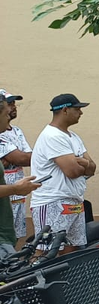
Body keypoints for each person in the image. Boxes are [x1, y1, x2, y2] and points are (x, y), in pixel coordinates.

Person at [29, 93, 96, 249]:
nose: (81, 113)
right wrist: (83, 165)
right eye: (77, 109)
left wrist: (84, 163)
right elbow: (72, 171)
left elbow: (92, 168)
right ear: (65, 110)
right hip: (53, 202)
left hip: (75, 201)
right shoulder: (52, 136)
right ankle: (36, 274)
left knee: (71, 250)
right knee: (46, 251)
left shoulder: (74, 137)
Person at [0, 89, 34, 247]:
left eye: (14, 103)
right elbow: (21, 158)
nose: (13, 108)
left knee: (15, 232)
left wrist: (15, 159)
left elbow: (28, 158)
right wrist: (17, 158)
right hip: (8, 187)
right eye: (9, 104)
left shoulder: (17, 131)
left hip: (19, 189)